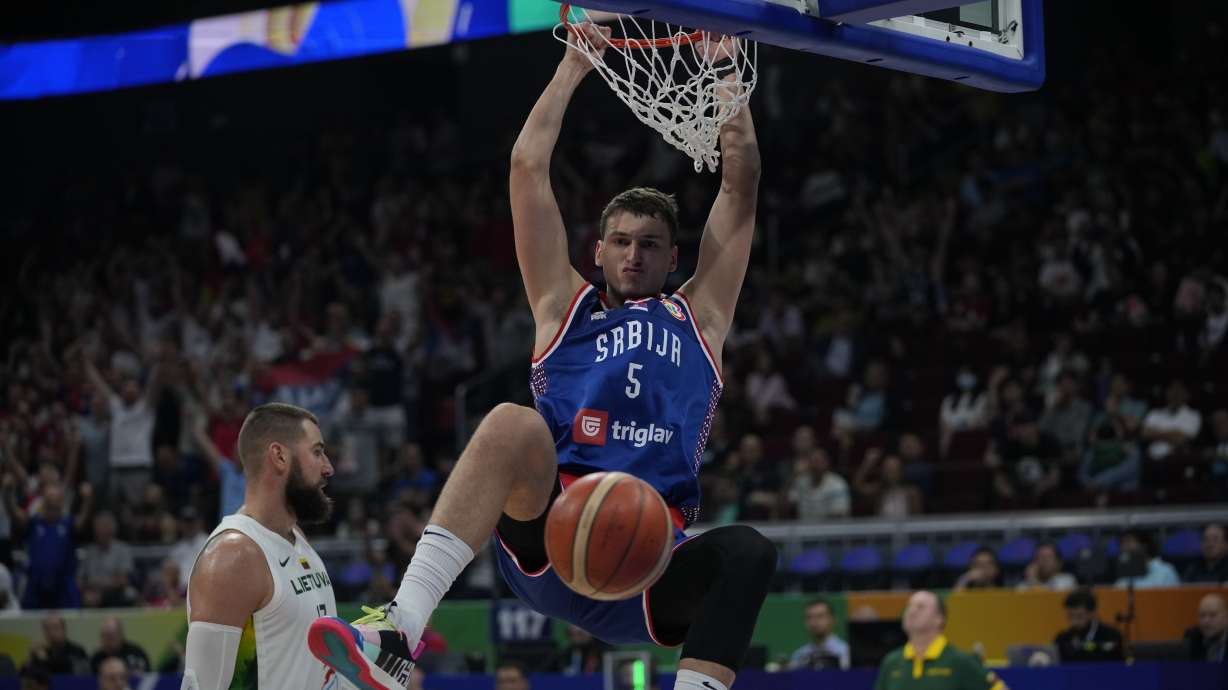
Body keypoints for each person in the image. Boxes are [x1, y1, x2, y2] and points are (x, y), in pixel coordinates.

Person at [310, 23, 773, 690]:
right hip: (551, 532)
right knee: (509, 422)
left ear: (675, 258)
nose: (634, 254)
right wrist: (573, 66)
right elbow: (527, 169)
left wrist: (727, 69)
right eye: (620, 241)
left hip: (650, 558)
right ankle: (399, 629)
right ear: (599, 251)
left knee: (749, 553)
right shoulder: (563, 307)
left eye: (650, 244)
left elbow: (742, 184)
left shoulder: (700, 317)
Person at [184, 403, 340, 690]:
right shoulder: (233, 556)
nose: (328, 467)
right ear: (279, 456)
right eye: (317, 452)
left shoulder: (297, 538)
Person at [873, 591, 1006, 690]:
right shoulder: (891, 662)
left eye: (921, 607)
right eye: (909, 606)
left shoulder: (960, 661)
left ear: (939, 618)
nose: (912, 611)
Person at [1053, 588, 1124, 663]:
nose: (1074, 622)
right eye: (1070, 616)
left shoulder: (1110, 635)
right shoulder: (1062, 638)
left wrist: (1082, 648)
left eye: (1079, 616)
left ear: (1092, 613)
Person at [788, 599, 850, 670]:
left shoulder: (845, 652)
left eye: (820, 616)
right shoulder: (799, 655)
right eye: (809, 617)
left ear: (832, 619)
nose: (814, 622)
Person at [24, 613, 90, 675]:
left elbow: (70, 671)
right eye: (47, 629)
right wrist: (30, 658)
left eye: (56, 628)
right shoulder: (39, 651)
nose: (51, 632)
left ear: (64, 629)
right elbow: (24, 675)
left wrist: (45, 660)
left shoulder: (77, 651)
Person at [1114, 529, 1180, 589]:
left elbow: (1174, 600)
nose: (1124, 547)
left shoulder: (1166, 572)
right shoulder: (1123, 577)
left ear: (1144, 545)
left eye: (1128, 542)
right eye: (1121, 543)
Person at [1184, 593, 1226, 663]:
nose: (1206, 621)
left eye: (1213, 615)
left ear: (1226, 617)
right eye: (1202, 616)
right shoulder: (1192, 637)